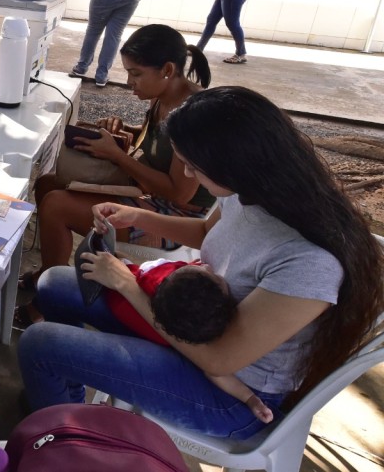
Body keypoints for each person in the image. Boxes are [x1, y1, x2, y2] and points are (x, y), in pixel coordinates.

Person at [19, 86, 384, 440]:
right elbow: (207, 233)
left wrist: (128, 286)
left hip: (233, 395)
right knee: (52, 284)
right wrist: (137, 217)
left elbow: (218, 359)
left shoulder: (309, 263)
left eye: (193, 166)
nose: (189, 175)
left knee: (39, 344)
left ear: (235, 163)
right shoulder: (250, 192)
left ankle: (59, 445)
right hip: (193, 335)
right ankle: (64, 400)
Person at [22, 24, 214, 298]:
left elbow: (179, 193)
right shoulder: (163, 98)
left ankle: (51, 298)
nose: (129, 82)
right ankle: (49, 270)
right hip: (149, 193)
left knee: (56, 205)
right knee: (46, 184)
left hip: (179, 218)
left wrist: (116, 155)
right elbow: (155, 143)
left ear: (168, 70)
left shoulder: (192, 116)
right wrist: (121, 131)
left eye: (135, 74)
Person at [106, 259, 273, 424]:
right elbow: (216, 374)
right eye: (214, 277)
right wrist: (250, 398)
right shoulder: (198, 338)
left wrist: (252, 399)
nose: (208, 266)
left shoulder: (173, 302)